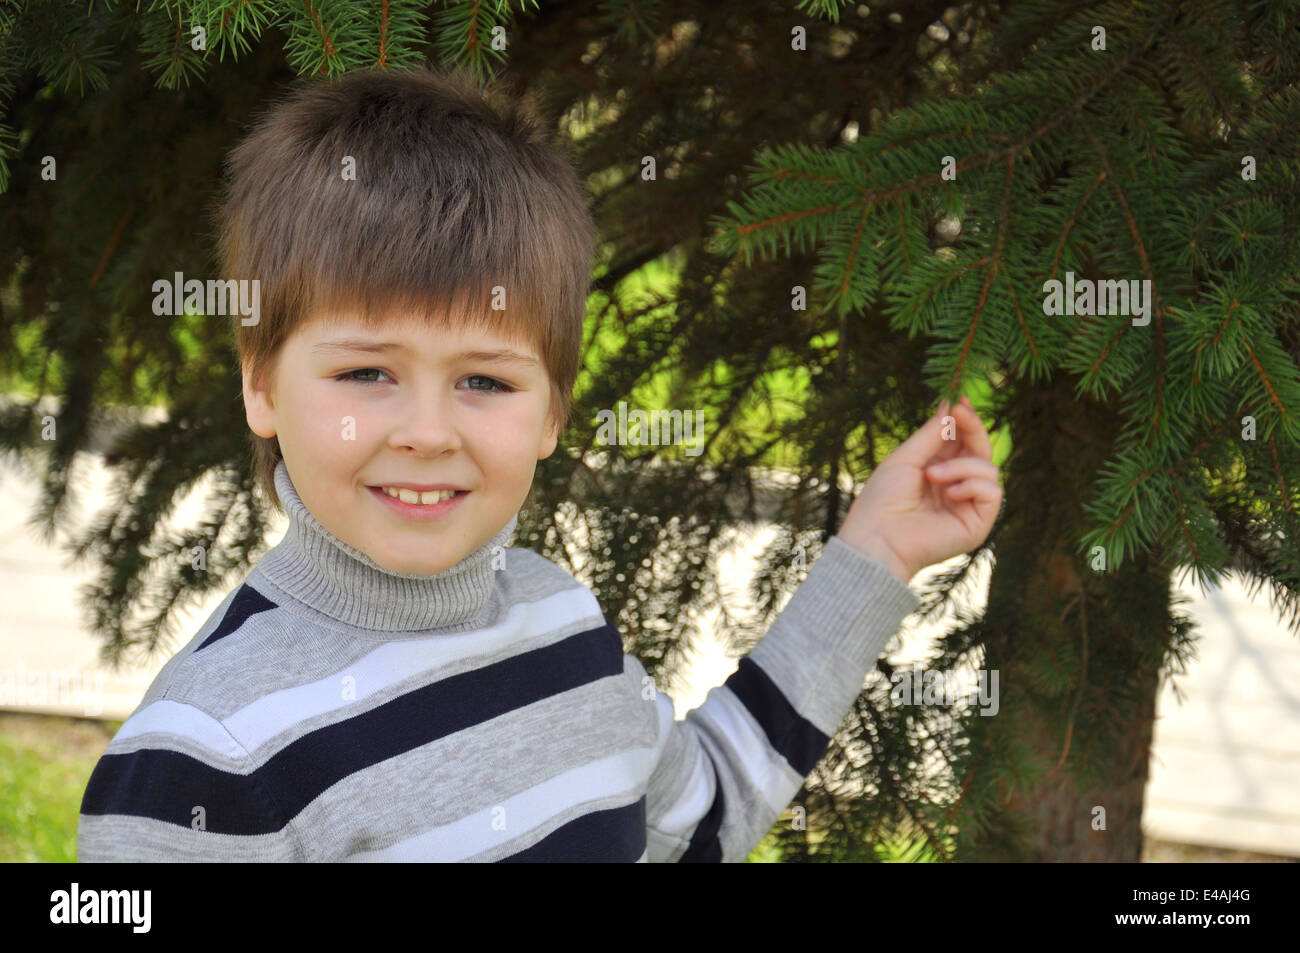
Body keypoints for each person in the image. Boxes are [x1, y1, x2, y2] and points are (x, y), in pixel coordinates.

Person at [77, 67, 1001, 862]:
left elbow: (702, 819)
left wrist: (875, 552)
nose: (429, 431)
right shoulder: (202, 755)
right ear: (262, 386)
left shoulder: (562, 626)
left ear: (553, 409)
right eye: (367, 371)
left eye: (484, 379)